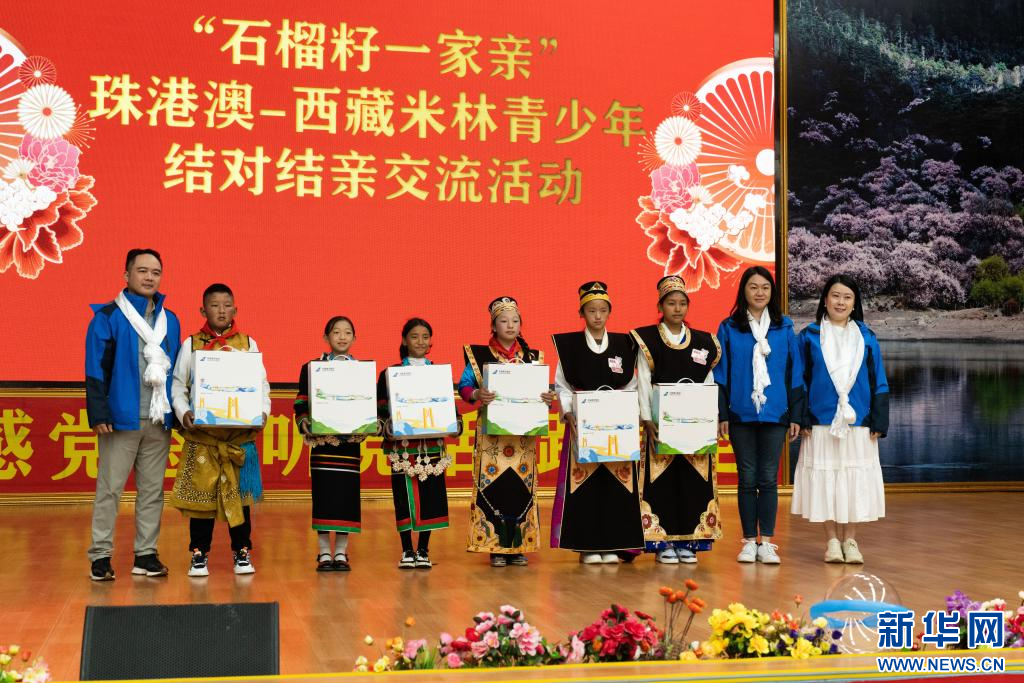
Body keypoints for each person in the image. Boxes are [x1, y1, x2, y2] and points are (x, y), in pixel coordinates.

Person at [85, 248, 181, 581]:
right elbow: (95, 367)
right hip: (120, 418)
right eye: (142, 271)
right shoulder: (108, 316)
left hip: (158, 419)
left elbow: (177, 371)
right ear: (126, 275)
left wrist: (177, 412)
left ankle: (146, 554)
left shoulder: (170, 320)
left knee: (153, 491)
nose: (149, 277)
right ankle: (100, 555)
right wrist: (99, 411)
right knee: (110, 489)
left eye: (156, 272)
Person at [169, 283, 270, 576]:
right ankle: (199, 553)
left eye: (227, 305)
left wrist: (263, 411)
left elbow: (261, 384)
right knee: (202, 499)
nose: (221, 311)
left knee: (240, 497)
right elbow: (178, 384)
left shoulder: (248, 343)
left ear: (235, 309)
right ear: (203, 310)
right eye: (215, 305)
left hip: (237, 437)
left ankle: (242, 551)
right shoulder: (191, 344)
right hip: (204, 437)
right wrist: (183, 411)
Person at [793, 274, 889, 564]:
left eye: (847, 297)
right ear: (825, 300)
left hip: (858, 421)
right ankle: (832, 541)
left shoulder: (867, 337)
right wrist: (802, 417)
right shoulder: (809, 336)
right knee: (827, 480)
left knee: (852, 480)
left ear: (855, 303)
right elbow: (799, 379)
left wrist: (879, 420)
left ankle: (851, 540)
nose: (841, 302)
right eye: (835, 296)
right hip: (820, 420)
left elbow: (879, 380)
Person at [714, 267, 804, 565]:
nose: (760, 292)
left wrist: (795, 414)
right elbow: (721, 374)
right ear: (744, 291)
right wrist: (722, 413)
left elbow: (794, 373)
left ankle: (766, 542)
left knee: (767, 478)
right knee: (746, 478)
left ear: (772, 292)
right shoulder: (729, 327)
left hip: (776, 412)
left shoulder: (783, 327)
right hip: (741, 413)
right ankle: (748, 542)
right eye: (753, 287)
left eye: (765, 287)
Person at [550, 282, 644, 563]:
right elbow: (562, 386)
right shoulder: (570, 347)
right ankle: (587, 546)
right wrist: (568, 411)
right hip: (584, 424)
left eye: (603, 310)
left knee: (615, 484)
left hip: (616, 424)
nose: (598, 316)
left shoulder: (624, 344)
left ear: (609, 312)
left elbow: (631, 383)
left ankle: (614, 543)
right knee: (586, 484)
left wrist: (628, 411)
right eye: (591, 311)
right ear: (582, 313)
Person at [631, 275, 722, 565]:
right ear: (660, 306)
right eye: (671, 303)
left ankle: (690, 542)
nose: (677, 308)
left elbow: (708, 382)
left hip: (695, 425)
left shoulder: (703, 342)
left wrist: (712, 418)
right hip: (661, 425)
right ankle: (664, 543)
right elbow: (643, 382)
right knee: (663, 482)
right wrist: (647, 418)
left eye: (682, 303)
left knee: (693, 480)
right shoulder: (648, 340)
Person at [459, 296, 555, 567]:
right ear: (493, 325)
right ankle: (496, 547)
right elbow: (465, 386)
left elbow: (543, 395)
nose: (510, 325)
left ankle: (518, 546)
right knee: (494, 487)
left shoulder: (532, 358)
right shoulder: (479, 356)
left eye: (515, 321)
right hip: (493, 438)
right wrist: (477, 394)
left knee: (520, 488)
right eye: (503, 321)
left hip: (523, 438)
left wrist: (547, 398)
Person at [378, 318, 451, 570]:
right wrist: (387, 425)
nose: (420, 341)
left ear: (431, 342)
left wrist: (455, 422)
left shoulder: (439, 373)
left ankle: (424, 550)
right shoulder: (390, 373)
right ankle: (407, 549)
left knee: (430, 499)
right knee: (403, 498)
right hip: (403, 447)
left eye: (425, 337)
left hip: (431, 447)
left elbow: (448, 407)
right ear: (404, 340)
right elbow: (381, 408)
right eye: (414, 336)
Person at [294, 316, 367, 571]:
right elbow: (301, 401)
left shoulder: (361, 371)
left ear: (354, 338)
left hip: (350, 445)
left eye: (347, 332)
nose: (342, 337)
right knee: (324, 495)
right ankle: (324, 552)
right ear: (326, 337)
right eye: (336, 332)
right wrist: (303, 420)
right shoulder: (312, 368)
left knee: (347, 497)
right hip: (323, 443)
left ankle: (341, 552)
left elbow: (367, 403)